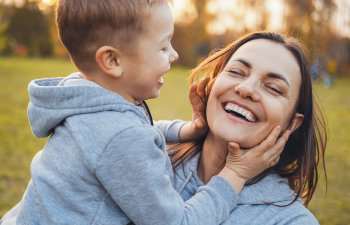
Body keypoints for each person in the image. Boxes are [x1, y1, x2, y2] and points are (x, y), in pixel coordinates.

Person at [0, 2, 289, 225]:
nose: (174, 55)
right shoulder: (120, 138)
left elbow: (131, 130)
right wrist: (235, 174)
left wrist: (186, 130)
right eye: (163, 46)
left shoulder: (85, 95)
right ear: (112, 60)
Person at [169, 31, 327, 225]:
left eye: (274, 88)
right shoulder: (148, 156)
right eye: (236, 72)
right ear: (212, 85)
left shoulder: (292, 221)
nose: (246, 89)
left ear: (292, 124)